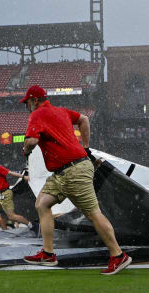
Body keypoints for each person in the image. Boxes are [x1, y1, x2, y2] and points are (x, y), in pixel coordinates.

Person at [20, 85, 131, 275]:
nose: (27, 107)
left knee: (93, 214)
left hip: (73, 171)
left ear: (35, 100)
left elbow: (31, 141)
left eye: (28, 103)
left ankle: (118, 255)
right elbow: (84, 120)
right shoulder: (61, 111)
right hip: (63, 172)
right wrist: (86, 148)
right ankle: (47, 254)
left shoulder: (37, 114)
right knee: (42, 204)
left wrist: (26, 149)